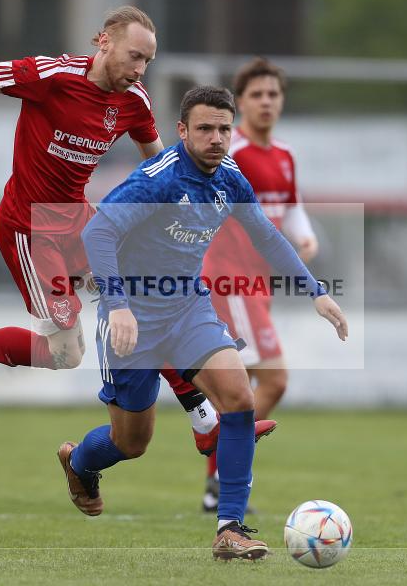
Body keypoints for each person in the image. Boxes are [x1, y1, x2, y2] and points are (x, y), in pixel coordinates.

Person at [0, 5, 263, 459]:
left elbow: (160, 164)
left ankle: (204, 421)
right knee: (64, 352)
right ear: (103, 41)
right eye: (134, 57)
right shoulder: (51, 75)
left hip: (77, 220)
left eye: (147, 62)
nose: (139, 70)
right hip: (30, 229)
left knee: (144, 291)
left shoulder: (133, 100)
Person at [59, 86, 347, 560]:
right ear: (182, 131)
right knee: (131, 442)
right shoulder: (159, 179)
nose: (216, 138)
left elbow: (267, 238)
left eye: (224, 129)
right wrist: (120, 305)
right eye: (205, 129)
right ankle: (78, 461)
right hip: (132, 317)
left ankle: (229, 527)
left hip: (188, 308)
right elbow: (99, 230)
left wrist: (315, 291)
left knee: (238, 399)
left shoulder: (231, 178)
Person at [162, 58, 320, 512]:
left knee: (247, 386)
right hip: (228, 281)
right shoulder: (231, 156)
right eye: (257, 95)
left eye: (273, 94)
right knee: (271, 379)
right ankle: (221, 465)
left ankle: (216, 464)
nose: (267, 101)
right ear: (241, 103)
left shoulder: (284, 156)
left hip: (259, 287)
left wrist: (302, 236)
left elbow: (291, 207)